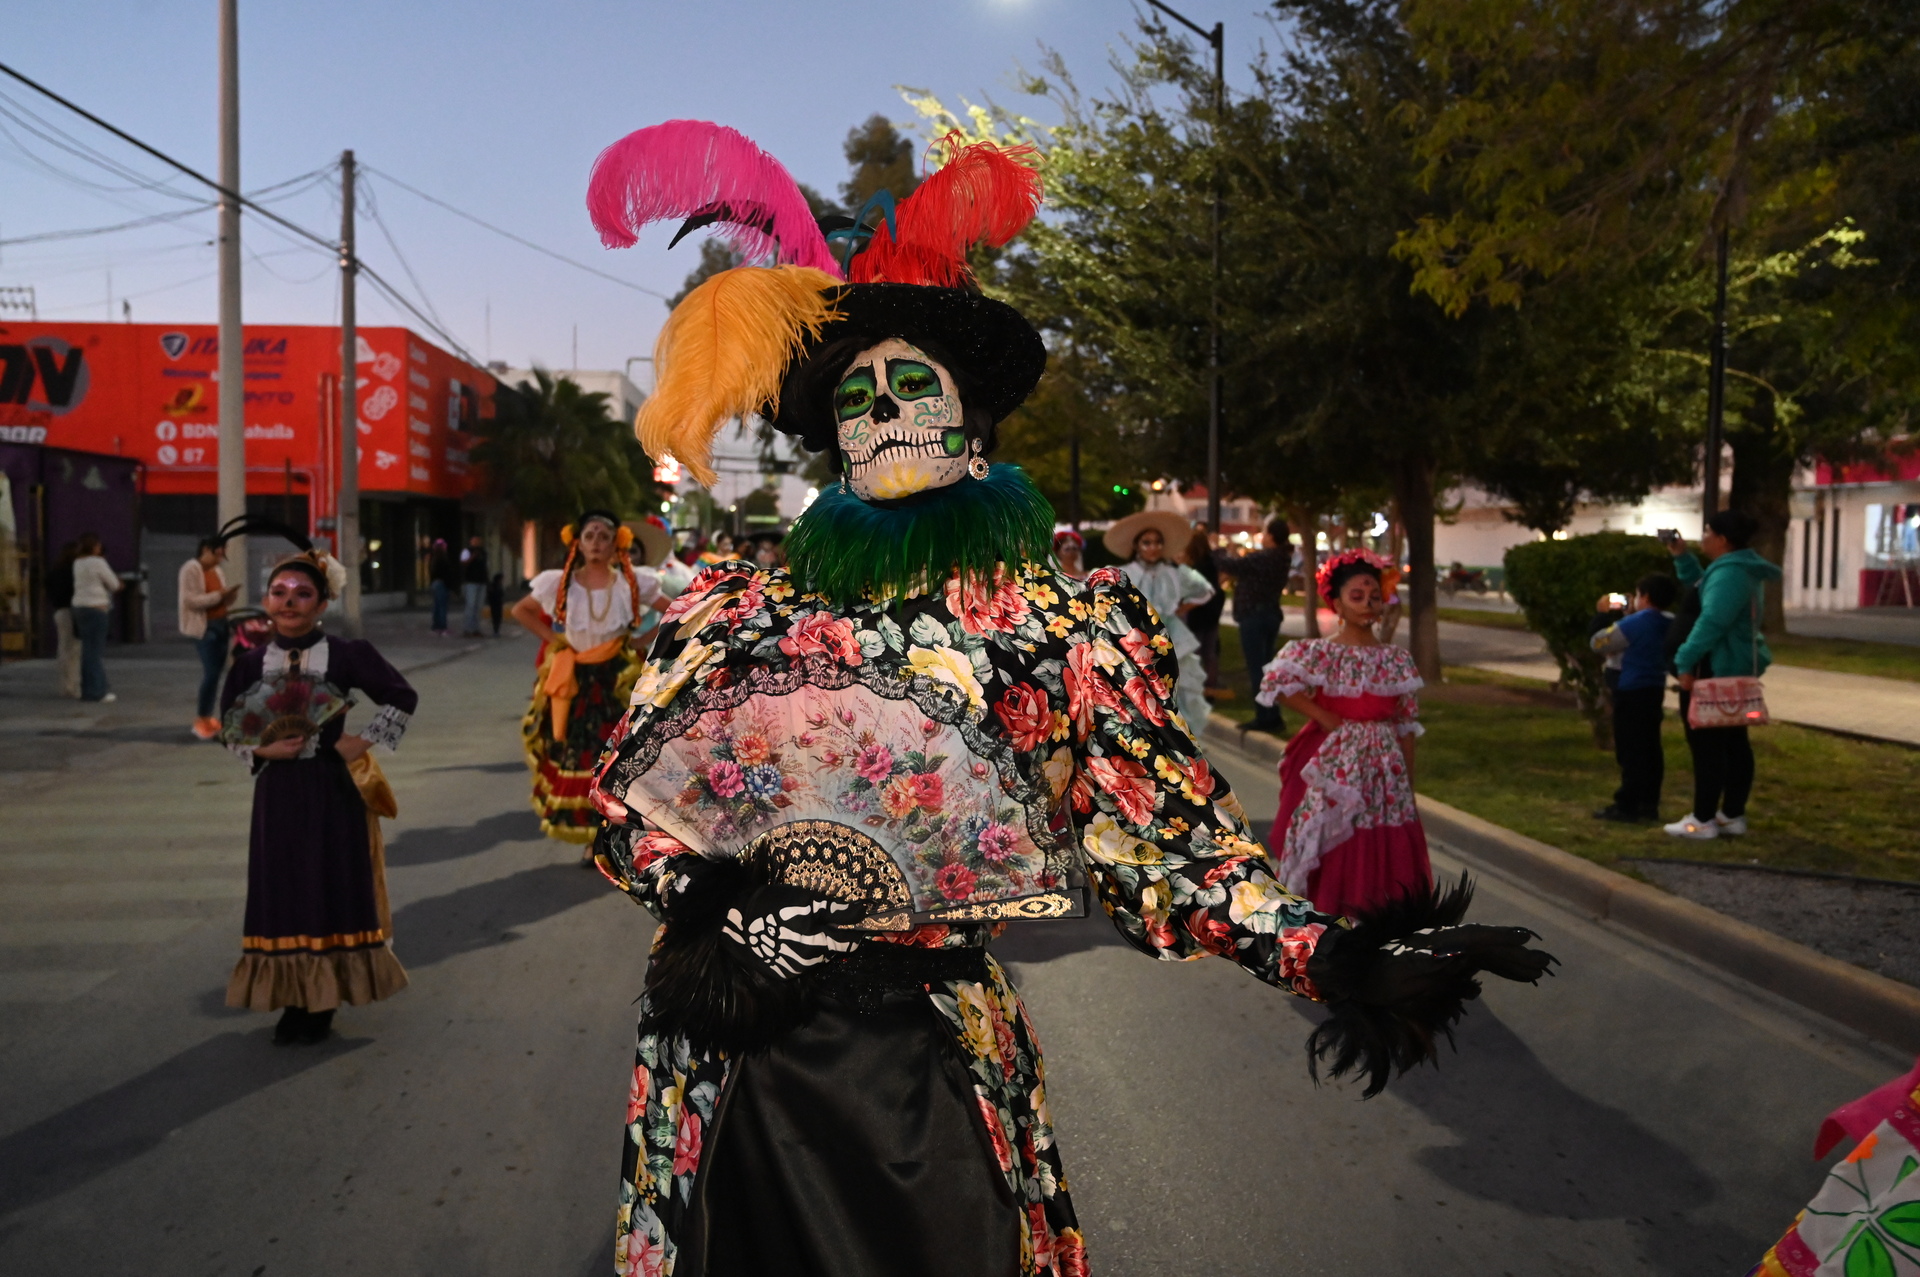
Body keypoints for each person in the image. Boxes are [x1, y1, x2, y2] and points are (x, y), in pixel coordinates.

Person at [580, 119, 1552, 1277]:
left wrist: (1332, 956)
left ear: (970, 419)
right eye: (857, 394)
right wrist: (713, 900)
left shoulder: (1067, 627)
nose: (884, 406)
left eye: (910, 381)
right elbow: (629, 802)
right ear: (832, 438)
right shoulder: (737, 611)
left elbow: (1175, 853)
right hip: (731, 1053)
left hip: (928, 1057)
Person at [219, 551, 415, 1045]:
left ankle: (322, 999)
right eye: (280, 592)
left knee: (328, 884)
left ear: (322, 602)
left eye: (303, 593)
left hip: (333, 790)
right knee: (282, 888)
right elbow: (230, 728)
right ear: (265, 601)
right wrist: (265, 748)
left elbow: (401, 695)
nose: (289, 602)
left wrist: (360, 740)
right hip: (278, 794)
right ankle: (292, 998)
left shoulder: (347, 655)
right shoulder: (247, 664)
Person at [1256, 548, 1432, 919]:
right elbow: (1277, 681)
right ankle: (1330, 916)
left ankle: (1381, 922)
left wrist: (1409, 785)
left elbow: (1406, 726)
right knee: (1334, 832)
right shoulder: (1322, 652)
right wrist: (1321, 714)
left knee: (1385, 834)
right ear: (1335, 603)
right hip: (1336, 764)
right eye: (1357, 597)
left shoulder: (1396, 659)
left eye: (1374, 597)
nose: (1368, 605)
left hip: (1386, 770)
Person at [511, 510, 664, 848]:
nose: (596, 543)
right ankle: (591, 837)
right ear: (577, 543)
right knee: (580, 754)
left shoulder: (632, 581)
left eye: (604, 536)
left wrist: (641, 641)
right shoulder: (559, 581)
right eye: (590, 536)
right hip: (577, 679)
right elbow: (520, 610)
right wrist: (555, 642)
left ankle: (619, 831)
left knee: (619, 754)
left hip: (618, 678)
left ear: (616, 544)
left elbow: (674, 609)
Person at [1664, 510, 1781, 840]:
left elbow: (1712, 620)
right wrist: (1682, 558)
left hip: (1716, 666)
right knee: (1732, 743)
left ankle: (1703, 820)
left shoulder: (1731, 574)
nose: (1702, 537)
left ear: (1723, 539)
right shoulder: (1733, 569)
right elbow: (1703, 588)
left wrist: (1684, 662)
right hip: (1730, 664)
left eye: (1707, 532)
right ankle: (1730, 815)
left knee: (1709, 745)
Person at [1105, 510, 1216, 731]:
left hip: (1170, 634)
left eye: (1157, 542)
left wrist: (1180, 608)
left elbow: (1206, 590)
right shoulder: (1123, 574)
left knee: (1176, 687)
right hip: (1134, 637)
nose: (1153, 547)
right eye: (1147, 542)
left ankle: (1178, 740)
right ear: (1137, 545)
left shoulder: (1175, 573)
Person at [1590, 573, 1678, 823]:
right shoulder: (1670, 621)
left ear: (1646, 597)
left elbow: (1599, 643)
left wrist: (1602, 613)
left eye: (1637, 594)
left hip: (1631, 689)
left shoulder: (1636, 622)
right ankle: (1649, 804)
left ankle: (1627, 804)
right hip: (1654, 687)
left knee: (1630, 750)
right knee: (1651, 748)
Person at [1217, 516, 1292, 734]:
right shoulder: (1282, 557)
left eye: (1265, 533)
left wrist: (1218, 549)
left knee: (1258, 669)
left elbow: (1230, 565)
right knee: (1266, 667)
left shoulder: (1265, 557)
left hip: (1255, 618)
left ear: (1271, 536)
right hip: (1270, 615)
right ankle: (1271, 714)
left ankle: (1265, 716)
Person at [180, 536, 243, 739]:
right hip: (204, 627)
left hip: (220, 623)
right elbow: (190, 600)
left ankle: (208, 718)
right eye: (218, 553)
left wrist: (229, 595)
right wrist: (219, 596)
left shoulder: (216, 571)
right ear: (206, 549)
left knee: (217, 673)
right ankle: (202, 719)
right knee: (211, 673)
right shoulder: (191, 568)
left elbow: (223, 600)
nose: (220, 559)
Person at [70, 532, 121, 703]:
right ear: (94, 547)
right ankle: (97, 691)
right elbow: (113, 584)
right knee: (95, 652)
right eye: (98, 545)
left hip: (79, 607)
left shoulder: (77, 563)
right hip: (96, 608)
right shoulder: (98, 562)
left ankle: (87, 689)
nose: (100, 548)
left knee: (87, 650)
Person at [1184, 527, 1226, 694]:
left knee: (1195, 650)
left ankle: (1196, 685)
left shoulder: (1196, 567)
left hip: (1198, 612)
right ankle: (1211, 683)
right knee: (1210, 650)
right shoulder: (1211, 562)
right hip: (1212, 611)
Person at [46, 541, 81, 699]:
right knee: (75, 649)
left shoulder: (54, 571)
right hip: (72, 610)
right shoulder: (74, 571)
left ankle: (65, 685)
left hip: (59, 610)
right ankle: (73, 686)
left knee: (63, 648)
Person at [460, 535, 489, 637]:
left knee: (478, 607)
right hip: (471, 582)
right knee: (471, 606)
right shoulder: (467, 551)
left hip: (481, 581)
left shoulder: (483, 552)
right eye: (474, 541)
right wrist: (473, 556)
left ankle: (476, 629)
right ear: (470, 542)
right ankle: (468, 629)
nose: (477, 543)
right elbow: (464, 562)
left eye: (478, 541)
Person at [427, 538, 455, 635]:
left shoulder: (433, 559)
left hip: (435, 583)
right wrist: (450, 586)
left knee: (437, 606)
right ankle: (443, 627)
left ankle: (436, 626)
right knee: (443, 607)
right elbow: (447, 574)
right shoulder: (443, 559)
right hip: (442, 584)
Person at [486, 571, 506, 637]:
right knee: (495, 618)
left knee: (498, 618)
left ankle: (497, 631)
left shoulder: (499, 585)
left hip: (498, 603)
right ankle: (495, 631)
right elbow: (491, 594)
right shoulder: (493, 586)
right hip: (494, 604)